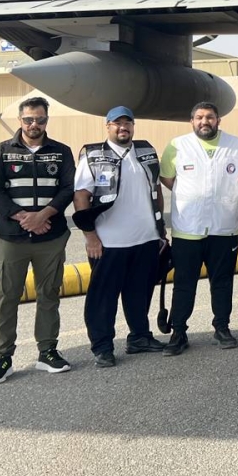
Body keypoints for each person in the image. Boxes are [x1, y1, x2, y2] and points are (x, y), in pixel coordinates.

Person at [0, 96, 75, 384]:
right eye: (29, 119)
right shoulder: (1, 152)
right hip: (12, 237)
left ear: (47, 120)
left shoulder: (61, 152)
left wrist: (43, 215)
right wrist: (24, 217)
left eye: (40, 119)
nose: (34, 124)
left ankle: (47, 351)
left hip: (51, 236)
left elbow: (68, 188)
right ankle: (3, 357)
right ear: (20, 120)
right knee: (7, 296)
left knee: (49, 294)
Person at [72, 106, 168, 367]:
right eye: (117, 123)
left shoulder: (146, 151)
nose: (123, 127)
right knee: (103, 299)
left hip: (146, 239)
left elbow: (156, 190)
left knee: (140, 294)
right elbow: (81, 197)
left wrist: (160, 230)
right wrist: (91, 237)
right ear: (108, 126)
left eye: (128, 123)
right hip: (109, 242)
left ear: (133, 126)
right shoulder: (93, 155)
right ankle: (102, 346)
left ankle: (140, 337)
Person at [160, 102, 238, 356]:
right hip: (188, 229)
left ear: (218, 120)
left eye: (210, 117)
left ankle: (222, 328)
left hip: (224, 228)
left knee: (222, 282)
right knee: (184, 283)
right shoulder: (178, 145)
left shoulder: (237, 145)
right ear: (191, 121)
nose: (204, 121)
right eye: (199, 117)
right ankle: (178, 332)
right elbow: (168, 178)